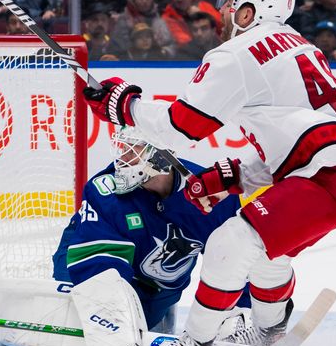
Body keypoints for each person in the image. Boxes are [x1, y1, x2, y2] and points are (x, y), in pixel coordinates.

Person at [82, 0, 336, 346]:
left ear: (250, 11)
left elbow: (182, 127)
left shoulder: (237, 54)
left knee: (232, 239)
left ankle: (197, 341)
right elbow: (299, 141)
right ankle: (270, 327)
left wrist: (123, 104)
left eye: (232, 2)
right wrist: (233, 174)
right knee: (267, 250)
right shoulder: (298, 44)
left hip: (331, 177)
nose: (225, 10)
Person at [52, 127, 245, 334]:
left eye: (133, 148)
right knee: (73, 311)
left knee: (152, 309)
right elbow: (99, 262)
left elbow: (238, 261)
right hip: (86, 250)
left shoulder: (214, 197)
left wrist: (245, 313)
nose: (123, 156)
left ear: (161, 157)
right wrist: (112, 315)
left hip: (159, 285)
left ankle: (160, 312)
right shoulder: (107, 192)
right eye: (122, 146)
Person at [110, 0, 175, 55]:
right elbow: (118, 46)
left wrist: (165, 52)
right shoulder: (124, 19)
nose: (144, 1)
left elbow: (170, 44)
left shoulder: (159, 18)